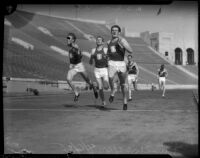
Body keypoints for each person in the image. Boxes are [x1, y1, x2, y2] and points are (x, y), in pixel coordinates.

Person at [107, 25, 133, 110]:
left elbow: (130, 51)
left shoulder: (122, 40)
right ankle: (112, 92)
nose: (114, 31)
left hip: (121, 63)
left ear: (119, 32)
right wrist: (107, 57)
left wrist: (123, 45)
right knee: (110, 78)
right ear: (111, 32)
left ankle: (125, 101)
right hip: (112, 62)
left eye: (116, 30)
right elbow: (109, 53)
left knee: (122, 84)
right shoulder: (108, 42)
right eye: (113, 30)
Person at [66, 33, 98, 101]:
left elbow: (80, 55)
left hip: (79, 65)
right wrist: (71, 64)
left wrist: (77, 53)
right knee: (68, 79)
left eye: (69, 38)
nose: (67, 39)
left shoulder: (75, 46)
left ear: (73, 40)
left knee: (88, 81)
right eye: (67, 38)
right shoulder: (71, 46)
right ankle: (77, 93)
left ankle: (94, 87)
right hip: (74, 67)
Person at [89, 36, 109, 107]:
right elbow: (90, 62)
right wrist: (91, 57)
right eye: (97, 40)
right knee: (100, 87)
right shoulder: (93, 50)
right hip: (97, 70)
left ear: (103, 42)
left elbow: (110, 58)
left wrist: (107, 58)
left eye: (100, 40)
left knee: (106, 87)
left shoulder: (106, 50)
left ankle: (95, 86)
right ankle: (103, 102)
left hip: (104, 70)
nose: (98, 41)